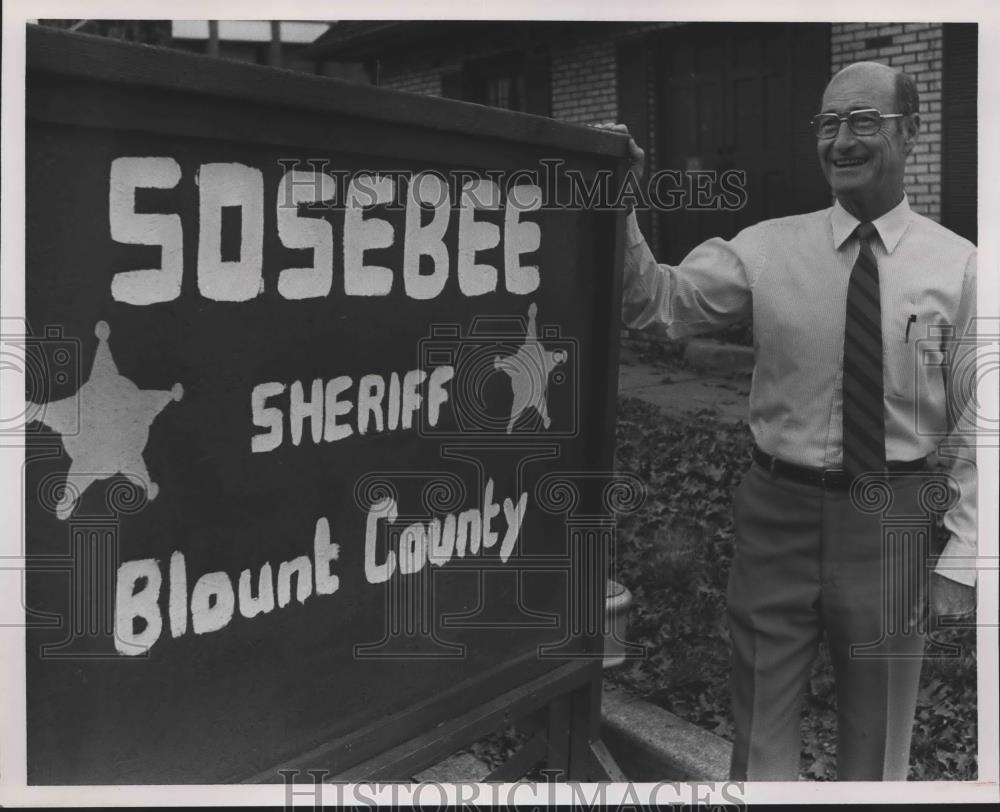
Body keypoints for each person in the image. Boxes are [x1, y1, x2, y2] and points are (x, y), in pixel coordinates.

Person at [611, 61, 977, 780]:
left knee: (878, 747)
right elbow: (658, 303)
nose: (842, 140)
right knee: (760, 737)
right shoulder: (767, 247)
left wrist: (963, 560)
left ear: (910, 130)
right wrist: (616, 201)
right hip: (776, 515)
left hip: (892, 521)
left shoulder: (962, 268)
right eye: (829, 123)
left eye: (863, 121)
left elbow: (983, 421)